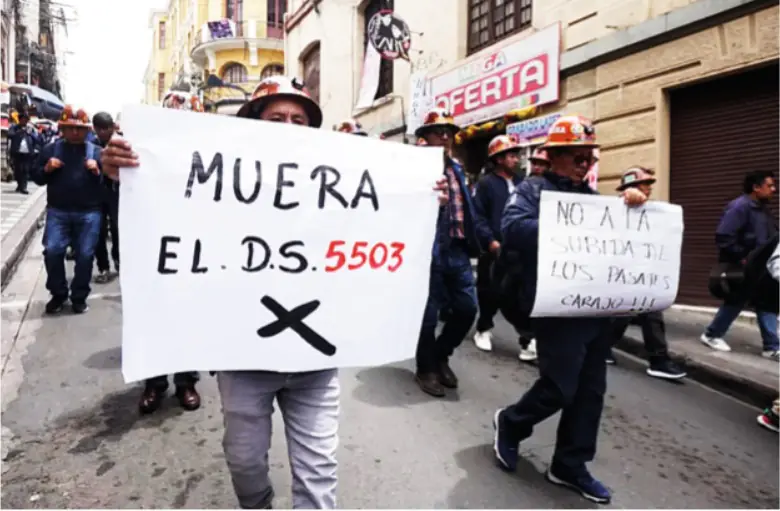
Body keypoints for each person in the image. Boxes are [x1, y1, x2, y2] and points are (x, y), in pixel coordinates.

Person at [100, 76, 450, 509]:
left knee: (319, 470)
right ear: (255, 123)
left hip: (316, 362)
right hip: (244, 359)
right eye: (277, 117)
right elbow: (168, 213)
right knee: (244, 461)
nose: (289, 125)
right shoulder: (223, 184)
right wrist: (125, 175)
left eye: (299, 119)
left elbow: (377, 226)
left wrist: (419, 194)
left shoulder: (334, 186)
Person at [492, 115, 648, 504]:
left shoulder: (597, 203)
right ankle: (511, 423)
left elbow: (620, 239)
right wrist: (563, 228)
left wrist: (631, 206)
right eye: (577, 158)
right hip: (556, 306)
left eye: (589, 158)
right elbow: (511, 230)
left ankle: (569, 464)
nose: (585, 165)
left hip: (595, 311)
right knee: (560, 387)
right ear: (556, 156)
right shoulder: (532, 190)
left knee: (590, 394)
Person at [414, 107, 480, 398]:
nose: (445, 136)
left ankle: (441, 355)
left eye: (449, 132)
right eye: (438, 132)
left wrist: (480, 239)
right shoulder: (413, 166)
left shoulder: (456, 168)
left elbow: (467, 208)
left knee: (467, 309)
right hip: (428, 251)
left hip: (457, 250)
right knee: (428, 316)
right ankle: (426, 368)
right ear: (425, 137)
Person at [607, 167, 686, 379]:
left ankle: (658, 360)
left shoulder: (648, 212)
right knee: (624, 314)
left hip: (643, 272)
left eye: (649, 185)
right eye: (645, 185)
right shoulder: (616, 209)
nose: (649, 189)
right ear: (630, 187)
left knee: (650, 313)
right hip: (622, 272)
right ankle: (655, 359)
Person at [31, 106, 103, 314]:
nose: (74, 132)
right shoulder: (50, 150)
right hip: (58, 212)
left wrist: (97, 171)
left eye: (79, 129)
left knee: (85, 255)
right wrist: (46, 169)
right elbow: (36, 177)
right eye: (70, 128)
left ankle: (79, 296)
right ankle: (58, 293)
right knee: (52, 251)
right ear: (61, 128)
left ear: (87, 130)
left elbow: (110, 185)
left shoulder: (96, 152)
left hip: (89, 213)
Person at [700, 170, 778, 358]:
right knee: (736, 301)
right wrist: (743, 258)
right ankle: (711, 334)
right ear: (756, 187)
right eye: (770, 186)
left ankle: (772, 347)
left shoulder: (763, 210)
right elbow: (724, 236)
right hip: (745, 265)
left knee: (767, 303)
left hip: (762, 266)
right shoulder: (739, 207)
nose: (774, 189)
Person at [471, 135, 532, 357]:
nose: (515, 159)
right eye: (510, 155)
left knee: (522, 294)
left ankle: (527, 339)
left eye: (516, 155)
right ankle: (484, 328)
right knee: (490, 290)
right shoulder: (486, 184)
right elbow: (478, 217)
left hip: (519, 249)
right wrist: (490, 241)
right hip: (495, 248)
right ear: (498, 159)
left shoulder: (522, 183)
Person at [92, 112, 121, 283]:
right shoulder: (91, 146)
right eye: (100, 129)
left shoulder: (121, 143)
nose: (104, 132)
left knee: (118, 230)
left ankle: (119, 261)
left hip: (117, 194)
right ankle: (103, 267)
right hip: (97, 195)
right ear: (95, 129)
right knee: (99, 231)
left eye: (107, 128)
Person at [8, 110, 40, 194]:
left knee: (25, 170)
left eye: (26, 119)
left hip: (27, 152)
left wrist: (30, 134)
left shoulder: (30, 129)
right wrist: (19, 132)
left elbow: (37, 139)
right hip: (17, 152)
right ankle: (19, 185)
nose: (25, 121)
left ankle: (24, 187)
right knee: (18, 170)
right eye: (23, 119)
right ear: (20, 119)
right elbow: (10, 135)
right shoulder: (14, 127)